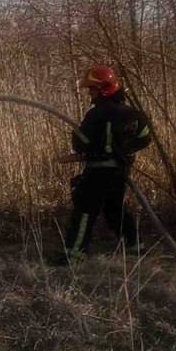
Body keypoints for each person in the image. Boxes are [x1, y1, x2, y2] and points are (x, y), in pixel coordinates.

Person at [53, 64, 153, 265]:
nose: (89, 93)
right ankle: (134, 246)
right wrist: (124, 149)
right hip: (119, 171)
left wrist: (86, 142)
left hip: (98, 171)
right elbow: (145, 138)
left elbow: (81, 143)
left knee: (84, 210)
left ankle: (74, 254)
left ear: (103, 89)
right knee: (114, 208)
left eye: (92, 89)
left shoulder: (95, 114)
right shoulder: (133, 114)